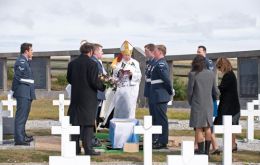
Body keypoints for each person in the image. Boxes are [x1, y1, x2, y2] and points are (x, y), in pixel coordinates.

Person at [67, 43, 105, 156]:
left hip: (76, 97)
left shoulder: (72, 63)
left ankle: (75, 149)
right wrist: (103, 86)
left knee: (75, 123)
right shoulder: (92, 64)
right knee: (88, 124)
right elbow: (94, 82)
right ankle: (88, 149)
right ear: (91, 52)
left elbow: (69, 79)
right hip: (88, 98)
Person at [187, 55, 218, 155]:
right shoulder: (211, 74)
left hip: (197, 103)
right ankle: (207, 152)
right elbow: (215, 91)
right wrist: (213, 99)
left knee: (199, 127)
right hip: (209, 104)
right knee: (208, 127)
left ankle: (201, 152)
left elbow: (190, 91)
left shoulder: (193, 74)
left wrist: (190, 101)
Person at [196, 45, 220, 154]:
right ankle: (210, 147)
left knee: (205, 125)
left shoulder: (208, 63)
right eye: (197, 51)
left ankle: (211, 147)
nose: (198, 53)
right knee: (202, 126)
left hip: (207, 98)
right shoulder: (198, 62)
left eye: (200, 51)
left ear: (205, 52)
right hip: (203, 99)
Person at [214, 57, 240, 152]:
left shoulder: (228, 76)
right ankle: (232, 145)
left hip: (229, 107)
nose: (219, 70)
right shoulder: (231, 74)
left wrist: (212, 89)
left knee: (216, 126)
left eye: (219, 67)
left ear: (223, 66)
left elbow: (221, 88)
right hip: (232, 106)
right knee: (232, 127)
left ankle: (217, 147)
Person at [11, 43, 35, 146]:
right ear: (26, 51)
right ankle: (19, 139)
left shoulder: (25, 61)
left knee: (24, 116)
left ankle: (22, 135)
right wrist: (13, 91)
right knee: (21, 116)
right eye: (31, 50)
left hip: (27, 92)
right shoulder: (21, 61)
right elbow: (17, 77)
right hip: (23, 92)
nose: (32, 52)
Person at [150, 45, 173, 149]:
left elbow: (166, 80)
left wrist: (169, 92)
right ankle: (157, 139)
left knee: (161, 119)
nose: (153, 52)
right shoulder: (157, 63)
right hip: (156, 95)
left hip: (160, 95)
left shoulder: (161, 64)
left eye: (155, 51)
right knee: (157, 119)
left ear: (160, 52)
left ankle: (162, 141)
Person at [112, 40, 142, 119]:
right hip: (121, 88)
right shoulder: (118, 62)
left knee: (130, 106)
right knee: (119, 106)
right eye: (125, 55)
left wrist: (132, 75)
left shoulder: (135, 63)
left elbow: (139, 75)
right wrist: (119, 73)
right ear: (122, 54)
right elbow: (114, 74)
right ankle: (118, 121)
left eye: (128, 55)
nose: (127, 56)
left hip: (131, 88)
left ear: (131, 54)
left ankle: (130, 122)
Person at [91, 43, 106, 147]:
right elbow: (97, 78)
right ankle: (91, 138)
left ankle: (92, 137)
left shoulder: (97, 62)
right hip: (95, 93)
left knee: (94, 117)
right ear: (95, 51)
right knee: (92, 117)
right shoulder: (94, 62)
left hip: (97, 93)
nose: (102, 53)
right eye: (101, 51)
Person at [144, 43, 158, 143]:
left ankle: (156, 137)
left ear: (152, 51)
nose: (145, 53)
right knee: (152, 115)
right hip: (150, 91)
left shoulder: (155, 62)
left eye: (146, 51)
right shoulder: (149, 62)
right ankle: (153, 136)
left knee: (156, 116)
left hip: (154, 92)